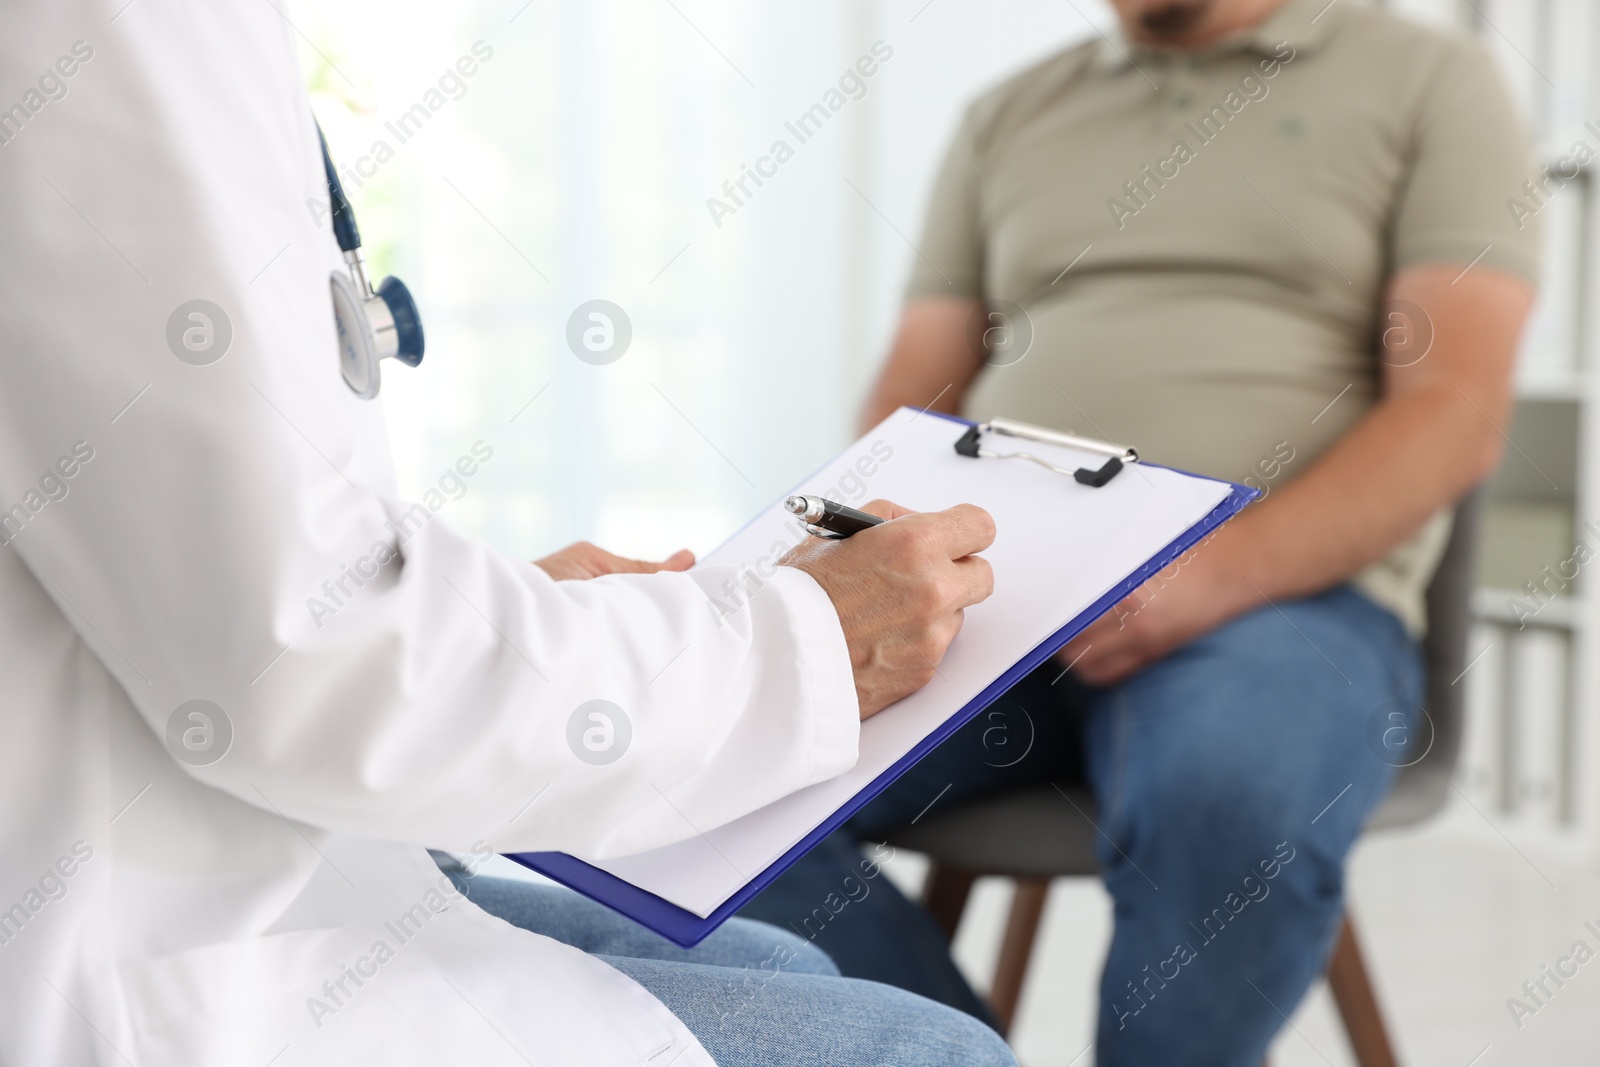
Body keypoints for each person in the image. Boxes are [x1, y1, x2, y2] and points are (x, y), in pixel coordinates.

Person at [0, 5, 1014, 1066]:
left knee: (782, 968)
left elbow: (209, 550)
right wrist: (797, 639)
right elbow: (304, 655)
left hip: (185, 826)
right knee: (929, 1053)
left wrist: (525, 619)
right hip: (110, 942)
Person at [739, 0, 1541, 1062]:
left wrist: (1200, 580)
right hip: (996, 597)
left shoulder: (1431, 81)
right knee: (716, 757)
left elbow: (1452, 410)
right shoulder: (1008, 115)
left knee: (1228, 790)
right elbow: (911, 400)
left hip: (1275, 606)